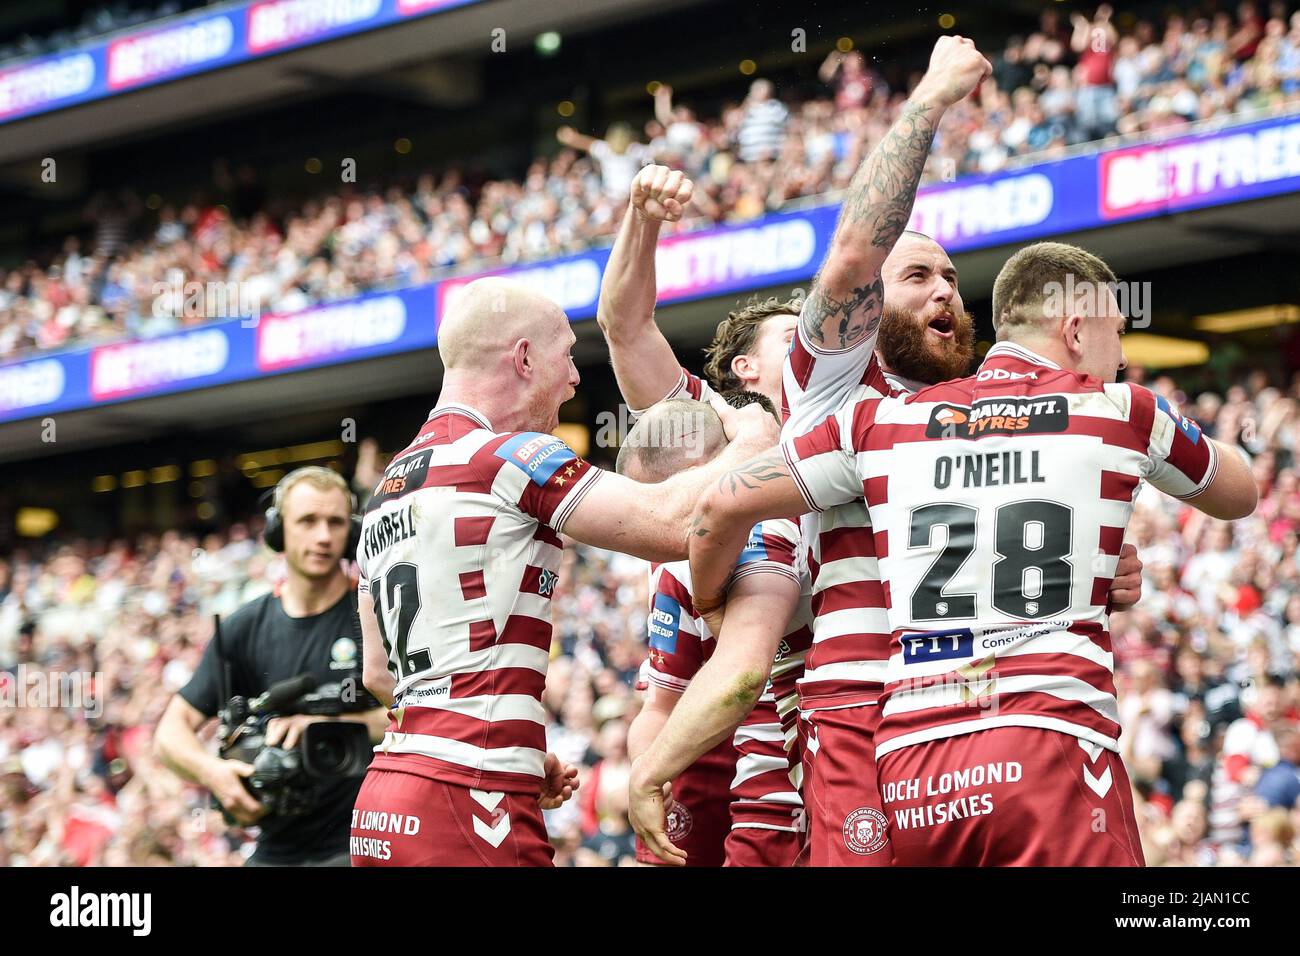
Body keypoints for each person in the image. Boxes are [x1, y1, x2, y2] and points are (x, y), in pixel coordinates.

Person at [687, 240, 1257, 866]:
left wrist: (711, 602)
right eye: (1116, 334)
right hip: (1051, 745)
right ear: (1075, 329)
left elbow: (718, 507)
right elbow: (1239, 493)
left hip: (914, 770)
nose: (1120, 357)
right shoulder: (1120, 409)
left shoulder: (884, 424)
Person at [349, 277, 777, 867]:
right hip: (469, 795)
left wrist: (517, 747)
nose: (576, 378)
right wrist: (752, 437)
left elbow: (379, 674)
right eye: (568, 356)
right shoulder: (504, 454)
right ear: (524, 358)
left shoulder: (387, 488)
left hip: (385, 802)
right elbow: (677, 522)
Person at [154, 466, 389, 866]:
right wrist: (214, 774)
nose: (323, 536)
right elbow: (169, 735)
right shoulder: (245, 627)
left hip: (364, 844)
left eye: (335, 522)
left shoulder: (375, 614)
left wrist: (332, 729)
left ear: (351, 534)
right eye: (308, 521)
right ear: (278, 531)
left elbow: (424, 716)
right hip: (276, 849)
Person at [622, 395, 806, 867]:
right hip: (773, 776)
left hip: (794, 785)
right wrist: (651, 787)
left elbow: (741, 676)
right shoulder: (674, 566)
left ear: (698, 473)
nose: (652, 531)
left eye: (659, 502)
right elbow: (658, 706)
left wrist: (647, 777)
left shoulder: (760, 523)